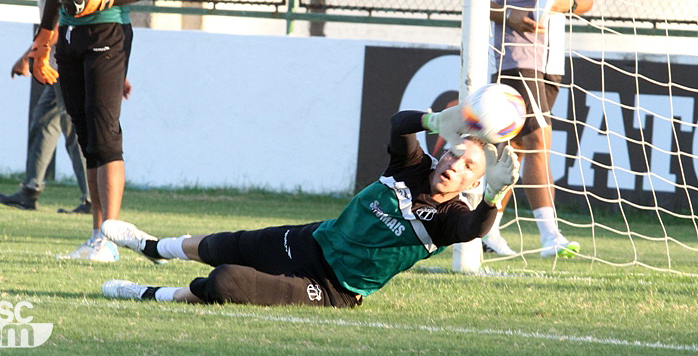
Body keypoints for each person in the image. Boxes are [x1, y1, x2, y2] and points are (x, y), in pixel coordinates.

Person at [99, 106, 519, 307]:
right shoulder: (411, 165)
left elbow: (474, 230)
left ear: (474, 182)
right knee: (225, 245)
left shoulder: (450, 218)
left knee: (225, 281)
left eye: (469, 167)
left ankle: (148, 293)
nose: (455, 166)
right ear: (442, 152)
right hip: (312, 240)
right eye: (454, 155)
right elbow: (397, 124)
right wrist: (436, 120)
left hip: (334, 287)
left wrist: (494, 197)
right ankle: (153, 247)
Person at [27, 0, 152, 261]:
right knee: (86, 138)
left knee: (106, 135)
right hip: (70, 36)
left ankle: (111, 240)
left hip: (108, 32)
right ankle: (97, 235)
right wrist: (43, 42)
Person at [486, 0, 599, 257]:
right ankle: (550, 235)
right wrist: (510, 16)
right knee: (538, 139)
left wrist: (567, 4)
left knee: (515, 148)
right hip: (514, 56)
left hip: (552, 60)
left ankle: (485, 228)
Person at [0, 0, 92, 214]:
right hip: (57, 58)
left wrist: (29, 56)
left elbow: (58, 23)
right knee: (45, 121)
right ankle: (30, 189)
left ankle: (92, 199)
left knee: (71, 127)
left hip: (62, 59)